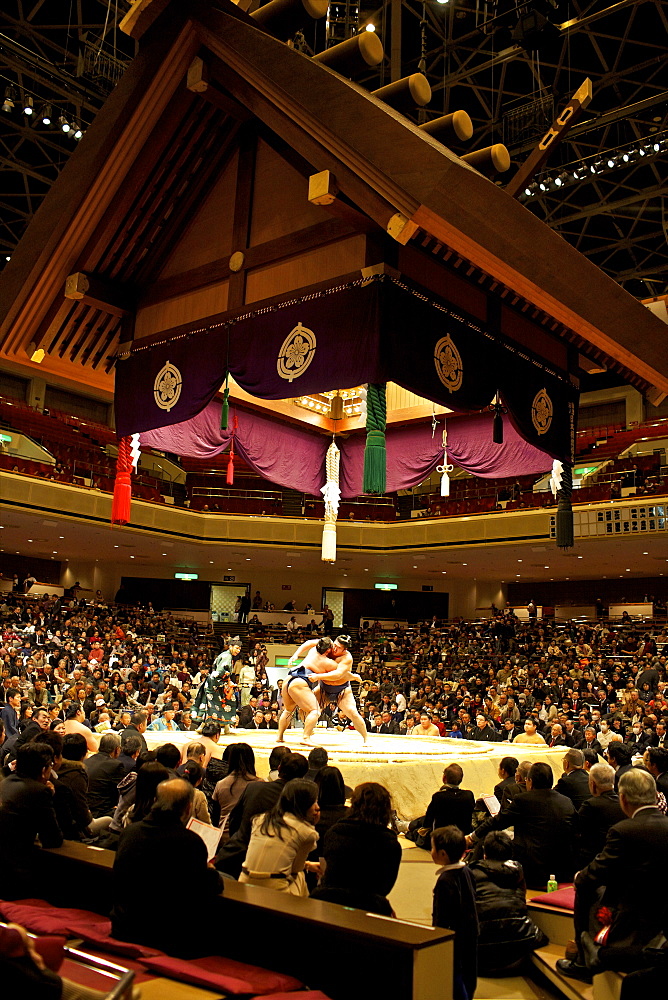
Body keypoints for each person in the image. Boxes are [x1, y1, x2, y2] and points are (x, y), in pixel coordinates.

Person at [557, 768, 668, 983]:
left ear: (623, 799)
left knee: (584, 885)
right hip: (661, 906)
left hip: (634, 907)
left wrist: (580, 876)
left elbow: (597, 872)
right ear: (655, 796)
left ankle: (582, 961)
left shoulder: (623, 830)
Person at [111, 779, 225, 956]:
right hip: (165, 937)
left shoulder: (130, 832)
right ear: (188, 808)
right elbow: (205, 888)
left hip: (123, 924)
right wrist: (211, 871)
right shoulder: (190, 842)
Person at [468, 761, 575, 888]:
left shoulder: (523, 800)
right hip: (563, 867)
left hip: (532, 870)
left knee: (492, 840)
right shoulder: (566, 801)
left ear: (530, 781)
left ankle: (471, 881)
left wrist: (471, 837)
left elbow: (498, 822)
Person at [312, 782, 401, 915]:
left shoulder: (334, 832)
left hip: (328, 902)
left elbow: (330, 874)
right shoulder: (390, 843)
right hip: (369, 907)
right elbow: (384, 887)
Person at [215, 751, 309, 878]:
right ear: (303, 776)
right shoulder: (300, 801)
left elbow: (234, 819)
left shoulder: (254, 787)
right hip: (272, 864)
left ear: (279, 768)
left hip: (235, 853)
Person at [470, 831, 547, 975]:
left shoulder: (471, 871)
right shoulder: (517, 870)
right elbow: (522, 898)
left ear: (484, 853)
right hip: (517, 956)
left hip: (480, 958)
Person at [0, 742, 63, 898]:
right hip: (15, 874)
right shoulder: (39, 791)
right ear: (44, 770)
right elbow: (53, 839)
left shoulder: (5, 782)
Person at [239, 778, 320, 895]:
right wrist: (312, 824)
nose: (317, 807)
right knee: (300, 876)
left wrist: (307, 864)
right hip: (275, 890)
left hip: (244, 881)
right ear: (304, 803)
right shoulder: (306, 833)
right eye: (314, 802)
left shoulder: (261, 819)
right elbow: (295, 870)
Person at [430, 825, 479, 1000]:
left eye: (433, 848)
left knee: (455, 979)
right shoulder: (467, 871)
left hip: (453, 937)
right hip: (470, 933)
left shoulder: (445, 880)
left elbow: (441, 915)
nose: (431, 851)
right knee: (468, 974)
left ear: (443, 854)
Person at [573, 761, 625, 869]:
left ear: (592, 784)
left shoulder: (590, 805)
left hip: (593, 860)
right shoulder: (624, 804)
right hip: (620, 857)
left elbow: (576, 831)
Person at [409, 763, 475, 843]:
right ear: (461, 779)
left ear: (444, 778)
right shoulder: (469, 795)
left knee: (415, 831)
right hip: (462, 838)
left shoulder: (439, 797)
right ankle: (404, 825)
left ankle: (404, 826)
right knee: (421, 821)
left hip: (442, 840)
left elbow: (428, 823)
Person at [211, 742, 262, 834]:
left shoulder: (221, 784)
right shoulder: (261, 784)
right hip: (250, 836)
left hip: (224, 836)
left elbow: (215, 817)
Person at [85, 732, 125, 819]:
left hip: (85, 809)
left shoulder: (87, 761)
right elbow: (123, 790)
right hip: (102, 812)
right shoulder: (116, 765)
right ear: (117, 749)